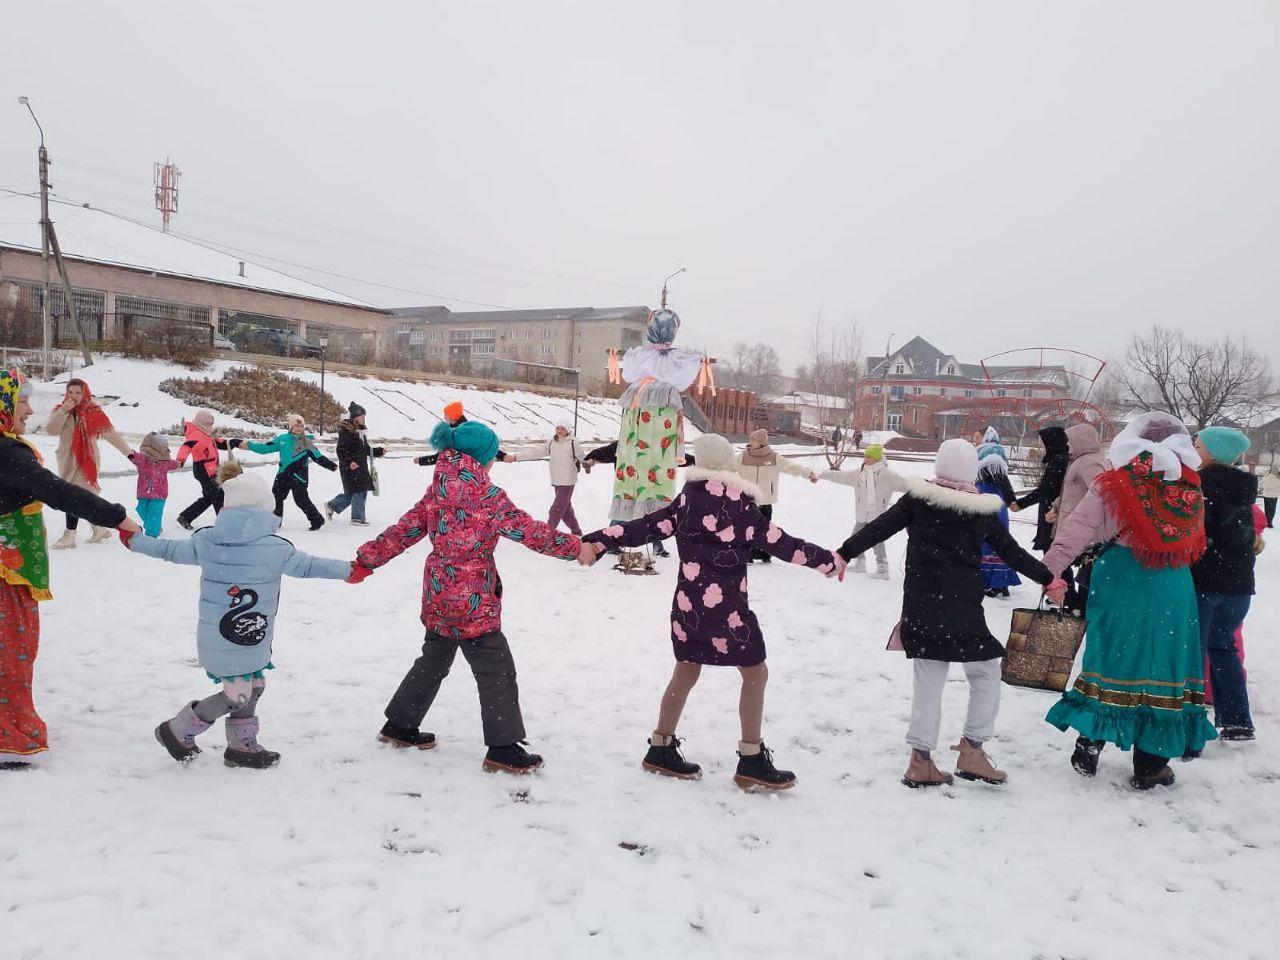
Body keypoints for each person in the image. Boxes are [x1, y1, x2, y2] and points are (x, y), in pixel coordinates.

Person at [582, 434, 844, 791]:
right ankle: (751, 758)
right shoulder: (741, 508)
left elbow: (639, 528)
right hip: (729, 610)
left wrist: (597, 540)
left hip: (688, 607)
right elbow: (784, 544)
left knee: (687, 669)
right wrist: (827, 561)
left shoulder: (684, 502)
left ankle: (660, 747)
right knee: (755, 672)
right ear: (728, 464)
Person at [352, 419, 588, 774]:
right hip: (472, 596)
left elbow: (405, 529)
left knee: (434, 658)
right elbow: (529, 532)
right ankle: (503, 747)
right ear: (481, 458)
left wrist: (367, 559)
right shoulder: (486, 495)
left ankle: (400, 725)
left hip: (438, 591)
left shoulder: (437, 489)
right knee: (496, 669)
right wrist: (577, 548)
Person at [837, 439, 1056, 789]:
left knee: (929, 679)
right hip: (963, 607)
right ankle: (972, 749)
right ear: (972, 471)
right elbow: (1011, 552)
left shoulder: (918, 499)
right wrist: (1048, 578)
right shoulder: (979, 509)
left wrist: (843, 553)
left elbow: (878, 527)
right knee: (985, 675)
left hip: (922, 603)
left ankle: (920, 761)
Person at [122, 460, 354, 768]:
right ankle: (178, 730)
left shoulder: (205, 540)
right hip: (242, 635)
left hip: (228, 635)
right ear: (264, 509)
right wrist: (350, 570)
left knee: (252, 686)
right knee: (239, 693)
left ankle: (241, 746)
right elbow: (311, 565)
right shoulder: (274, 548)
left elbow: (166, 549)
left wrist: (135, 540)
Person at [1044, 412, 1216, 790]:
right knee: (1165, 666)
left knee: (1111, 659)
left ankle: (1091, 739)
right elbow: (1196, 539)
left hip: (1121, 580)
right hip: (1171, 583)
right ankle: (1150, 763)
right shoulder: (1188, 488)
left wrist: (1050, 570)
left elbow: (1078, 530)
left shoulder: (1113, 484)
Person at [0, 369, 140, 767]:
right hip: (7, 571)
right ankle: (7, 732)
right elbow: (57, 491)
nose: (28, 409)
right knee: (12, 651)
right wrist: (117, 517)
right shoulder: (8, 452)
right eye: (21, 400)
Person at [607, 309, 702, 562]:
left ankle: (633, 535)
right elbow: (683, 377)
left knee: (640, 473)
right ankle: (632, 535)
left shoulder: (641, 357)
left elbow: (628, 374)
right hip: (657, 413)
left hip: (645, 413)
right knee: (648, 473)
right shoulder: (674, 360)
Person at [1191, 426, 1258, 742]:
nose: (1195, 447)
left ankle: (1187, 726)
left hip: (1207, 581)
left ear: (1214, 453)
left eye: (1199, 444)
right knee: (1223, 647)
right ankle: (1237, 720)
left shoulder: (1202, 486)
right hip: (1239, 586)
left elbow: (1195, 532)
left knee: (1193, 650)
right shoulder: (1243, 488)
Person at [43, 378, 133, 549]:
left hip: (87, 462)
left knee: (72, 496)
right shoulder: (61, 411)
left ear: (85, 393)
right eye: (71, 392)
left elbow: (111, 434)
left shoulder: (94, 412)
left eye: (78, 392)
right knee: (82, 498)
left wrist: (129, 452)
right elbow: (51, 430)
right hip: (67, 460)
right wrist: (63, 410)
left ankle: (69, 535)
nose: (74, 396)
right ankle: (98, 528)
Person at [1047, 422, 1108, 614]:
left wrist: (1078, 515)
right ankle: (1073, 603)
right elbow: (1070, 492)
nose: (1068, 446)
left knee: (1079, 567)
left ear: (1082, 441)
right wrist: (1056, 507)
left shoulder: (1091, 462)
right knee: (1077, 567)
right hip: (1073, 524)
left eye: (1071, 442)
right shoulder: (1080, 461)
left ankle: (1076, 605)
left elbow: (1101, 494)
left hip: (1081, 529)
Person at [818, 443, 903, 578]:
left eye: (869, 457)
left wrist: (925, 487)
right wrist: (822, 474)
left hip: (877, 516)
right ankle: (860, 563)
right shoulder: (860, 473)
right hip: (862, 514)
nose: (865, 459)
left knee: (877, 541)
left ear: (876, 458)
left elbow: (905, 484)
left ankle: (883, 569)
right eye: (865, 456)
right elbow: (841, 476)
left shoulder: (887, 475)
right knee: (856, 538)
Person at [735, 428, 818, 564]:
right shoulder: (743, 457)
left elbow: (792, 467)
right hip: (747, 500)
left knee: (765, 529)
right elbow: (727, 466)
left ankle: (764, 553)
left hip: (766, 500)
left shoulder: (773, 457)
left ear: (761, 443)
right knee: (747, 528)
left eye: (753, 440)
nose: (749, 443)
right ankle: (747, 554)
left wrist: (808, 473)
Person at [245, 414, 338, 530]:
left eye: (301, 426)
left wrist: (332, 466)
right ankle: (275, 522)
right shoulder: (282, 439)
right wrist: (248, 445)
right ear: (290, 427)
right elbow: (265, 448)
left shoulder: (307, 442)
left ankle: (317, 520)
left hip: (299, 477)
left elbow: (318, 457)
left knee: (301, 500)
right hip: (283, 474)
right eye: (296, 425)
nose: (298, 428)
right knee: (276, 497)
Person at [504, 414, 587, 535]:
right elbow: (536, 452)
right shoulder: (552, 443)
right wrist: (516, 457)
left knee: (556, 510)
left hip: (568, 481)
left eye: (562, 428)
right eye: (557, 428)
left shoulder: (573, 443)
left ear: (568, 430)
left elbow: (584, 458)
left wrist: (589, 462)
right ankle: (577, 532)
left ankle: (546, 535)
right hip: (557, 481)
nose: (559, 431)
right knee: (565, 510)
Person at [175, 410, 243, 530]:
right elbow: (186, 447)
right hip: (203, 469)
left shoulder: (205, 433)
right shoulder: (195, 434)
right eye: (208, 423)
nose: (210, 426)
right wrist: (180, 460)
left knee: (209, 497)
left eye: (211, 423)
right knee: (218, 495)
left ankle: (185, 517)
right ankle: (224, 524)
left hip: (211, 469)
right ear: (200, 422)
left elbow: (217, 443)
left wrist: (231, 442)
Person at [975, 427, 1020, 597]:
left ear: (987, 437)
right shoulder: (990, 453)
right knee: (998, 541)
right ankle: (1000, 582)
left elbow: (1002, 480)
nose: (976, 441)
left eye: (978, 436)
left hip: (991, 503)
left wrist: (1011, 500)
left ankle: (994, 583)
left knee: (990, 541)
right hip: (994, 502)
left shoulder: (991, 455)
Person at [1013, 426, 1070, 553]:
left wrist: (1021, 504)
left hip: (1052, 515)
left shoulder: (1059, 462)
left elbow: (1044, 490)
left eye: (1044, 442)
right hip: (1053, 513)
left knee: (1053, 558)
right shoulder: (1060, 459)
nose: (1043, 446)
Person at [326, 402, 384, 526]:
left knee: (353, 492)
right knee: (359, 491)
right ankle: (357, 518)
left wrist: (379, 451)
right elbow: (340, 450)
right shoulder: (347, 432)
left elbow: (366, 450)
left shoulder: (360, 433)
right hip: (350, 468)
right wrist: (349, 462)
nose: (364, 418)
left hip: (360, 467)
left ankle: (332, 505)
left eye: (364, 416)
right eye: (362, 416)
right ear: (354, 417)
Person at [415, 402, 509, 466]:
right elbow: (483, 443)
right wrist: (502, 455)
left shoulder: (459, 433)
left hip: (471, 467)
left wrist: (421, 460)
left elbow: (443, 456)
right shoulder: (469, 426)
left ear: (453, 416)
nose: (444, 417)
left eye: (446, 415)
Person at [128, 432, 183, 538]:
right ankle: (154, 526)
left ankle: (152, 535)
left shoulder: (165, 462)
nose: (166, 450)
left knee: (155, 512)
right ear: (153, 447)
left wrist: (180, 463)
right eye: (163, 447)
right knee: (141, 509)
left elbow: (175, 464)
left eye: (166, 447)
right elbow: (134, 456)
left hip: (160, 494)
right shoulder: (143, 460)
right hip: (144, 492)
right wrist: (128, 452)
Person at [1260, 461, 1279, 528]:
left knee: (1267, 509)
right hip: (1274, 496)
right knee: (1272, 510)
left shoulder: (1266, 478)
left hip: (1266, 495)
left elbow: (1261, 485)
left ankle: (1267, 521)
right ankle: (1270, 522)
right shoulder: (1278, 479)